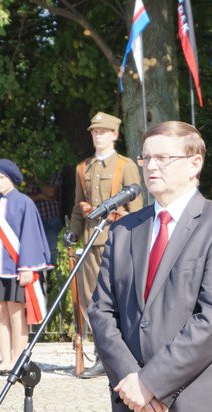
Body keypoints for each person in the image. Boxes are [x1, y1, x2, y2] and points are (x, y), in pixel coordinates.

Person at [88, 121, 212, 412]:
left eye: (163, 158)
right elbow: (101, 312)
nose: (151, 166)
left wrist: (151, 382)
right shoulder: (124, 230)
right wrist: (131, 380)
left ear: (195, 163)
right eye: (146, 158)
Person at [64, 111, 143, 379]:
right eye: (94, 132)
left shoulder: (125, 166)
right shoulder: (83, 168)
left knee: (119, 299)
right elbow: (79, 206)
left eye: (102, 132)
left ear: (114, 135)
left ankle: (125, 355)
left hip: (117, 239)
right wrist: (73, 232)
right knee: (92, 301)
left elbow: (137, 209)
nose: (97, 136)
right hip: (90, 241)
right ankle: (101, 357)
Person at [0, 159, 52, 376]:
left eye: (2, 178)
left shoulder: (25, 203)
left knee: (17, 315)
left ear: (12, 179)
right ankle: (5, 360)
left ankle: (17, 359)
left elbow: (30, 236)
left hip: (16, 266)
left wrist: (27, 267)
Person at [27, 170, 64, 265]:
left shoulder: (54, 173)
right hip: (35, 222)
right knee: (37, 252)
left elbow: (50, 192)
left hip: (52, 220)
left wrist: (38, 180)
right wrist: (40, 196)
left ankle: (56, 274)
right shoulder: (27, 176)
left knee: (54, 251)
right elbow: (24, 198)